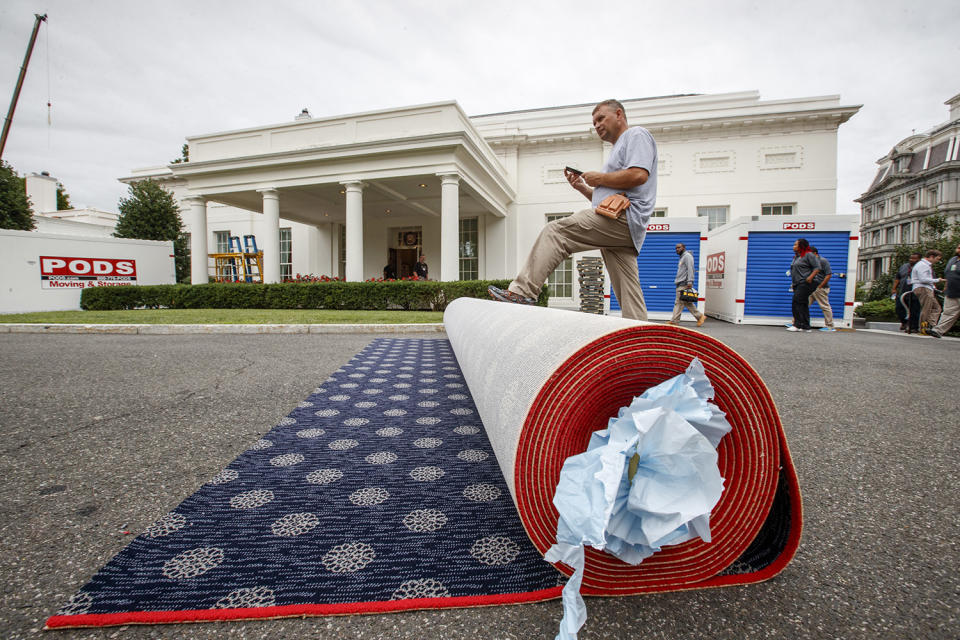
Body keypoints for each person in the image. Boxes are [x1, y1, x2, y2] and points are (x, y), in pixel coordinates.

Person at [488, 99, 657, 321]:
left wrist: (599, 177)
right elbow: (604, 201)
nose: (596, 125)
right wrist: (584, 188)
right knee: (629, 292)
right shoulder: (618, 149)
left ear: (619, 115)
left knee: (556, 232)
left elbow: (638, 175)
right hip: (624, 229)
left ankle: (523, 292)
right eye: (594, 122)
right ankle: (640, 338)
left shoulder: (636, 135)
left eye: (601, 118)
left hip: (623, 219)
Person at [786, 238, 820, 332]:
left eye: (795, 245)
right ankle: (805, 326)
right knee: (803, 303)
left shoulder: (809, 255)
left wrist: (810, 278)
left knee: (796, 302)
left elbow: (817, 268)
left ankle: (797, 324)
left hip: (806, 283)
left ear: (801, 246)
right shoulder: (797, 256)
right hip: (797, 283)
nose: (794, 246)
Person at [670, 243, 705, 326]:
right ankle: (700, 316)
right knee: (686, 302)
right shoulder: (682, 257)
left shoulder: (687, 256)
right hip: (680, 282)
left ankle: (674, 321)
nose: (677, 249)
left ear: (684, 248)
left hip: (684, 283)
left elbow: (691, 269)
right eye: (676, 248)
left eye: (679, 247)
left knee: (678, 302)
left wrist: (690, 281)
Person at [929, 243, 959, 338]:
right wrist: (946, 286)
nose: (958, 249)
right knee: (948, 313)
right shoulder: (953, 260)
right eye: (958, 247)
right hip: (951, 292)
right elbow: (948, 275)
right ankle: (938, 331)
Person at [910, 249, 944, 334]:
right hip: (923, 288)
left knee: (936, 308)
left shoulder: (925, 265)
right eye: (937, 259)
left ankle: (931, 325)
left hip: (926, 288)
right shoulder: (923, 265)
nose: (937, 261)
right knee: (927, 308)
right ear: (931, 257)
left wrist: (934, 287)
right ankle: (923, 328)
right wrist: (937, 280)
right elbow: (923, 279)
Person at [807, 246, 835, 332]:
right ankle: (797, 322)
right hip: (811, 288)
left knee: (824, 306)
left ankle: (830, 326)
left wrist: (820, 286)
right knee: (803, 304)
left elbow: (828, 274)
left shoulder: (822, 261)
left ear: (815, 253)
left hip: (820, 288)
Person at [892, 253, 922, 332]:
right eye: (910, 258)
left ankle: (913, 327)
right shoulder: (904, 266)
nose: (911, 260)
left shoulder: (922, 267)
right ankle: (904, 322)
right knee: (899, 308)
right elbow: (898, 278)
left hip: (914, 292)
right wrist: (894, 288)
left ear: (919, 259)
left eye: (914, 258)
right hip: (902, 291)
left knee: (914, 310)